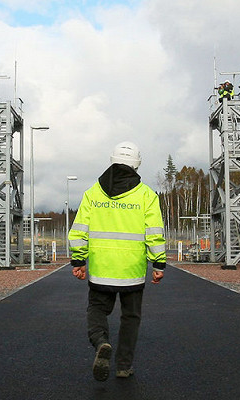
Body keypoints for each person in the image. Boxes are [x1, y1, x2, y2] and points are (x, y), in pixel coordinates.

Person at [69, 141, 166, 381]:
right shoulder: (146, 195)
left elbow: (79, 229)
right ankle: (123, 366)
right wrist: (158, 263)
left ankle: (102, 341)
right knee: (130, 317)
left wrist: (78, 260)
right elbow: (154, 231)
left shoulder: (93, 193)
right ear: (137, 164)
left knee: (97, 310)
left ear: (112, 160)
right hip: (132, 270)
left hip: (102, 269)